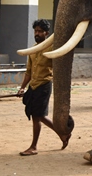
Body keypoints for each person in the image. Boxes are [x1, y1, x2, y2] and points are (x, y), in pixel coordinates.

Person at [17, 19, 71, 156]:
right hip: (33, 86)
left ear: (46, 33)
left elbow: (59, 68)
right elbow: (29, 72)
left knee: (37, 116)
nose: (37, 33)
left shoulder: (52, 48)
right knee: (39, 116)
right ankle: (63, 134)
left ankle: (34, 147)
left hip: (44, 85)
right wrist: (22, 88)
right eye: (36, 31)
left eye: (40, 31)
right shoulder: (33, 50)